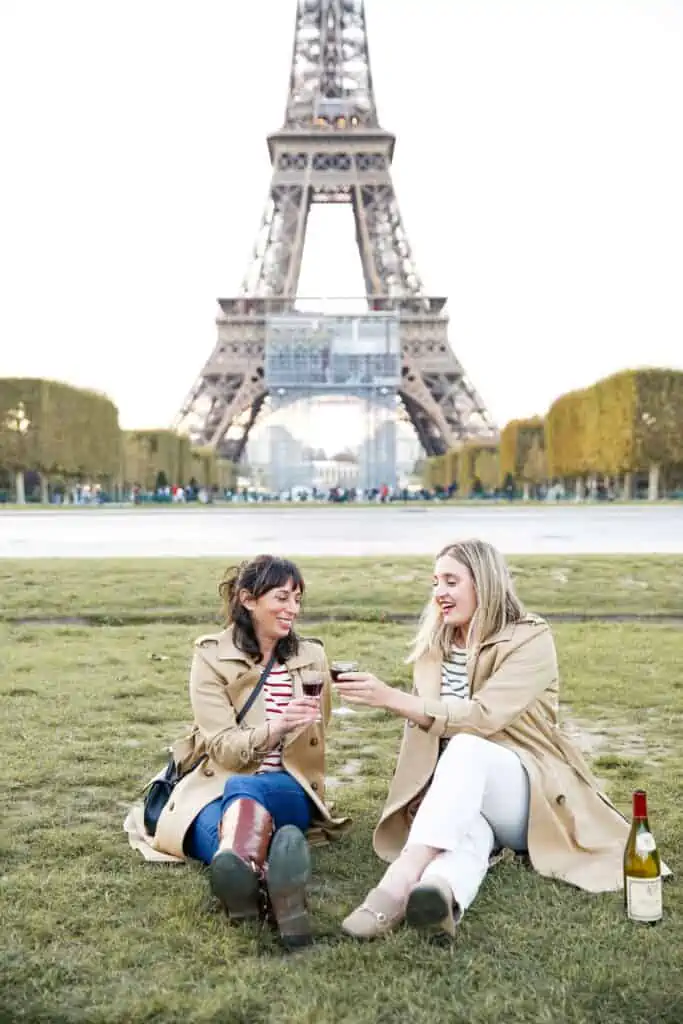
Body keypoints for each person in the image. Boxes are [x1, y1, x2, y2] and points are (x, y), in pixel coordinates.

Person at [335, 539, 666, 941]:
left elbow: (482, 718)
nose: (439, 592)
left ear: (485, 583)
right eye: (435, 581)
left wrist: (392, 699)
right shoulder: (434, 645)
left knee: (468, 747)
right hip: (463, 792)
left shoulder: (530, 637)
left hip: (530, 794)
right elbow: (429, 734)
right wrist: (429, 787)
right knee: (468, 836)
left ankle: (398, 880)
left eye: (451, 581)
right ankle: (439, 896)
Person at [124, 554, 349, 949]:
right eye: (281, 598)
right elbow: (224, 749)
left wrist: (287, 731)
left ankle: (248, 886)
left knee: (248, 794)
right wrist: (276, 726)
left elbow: (318, 733)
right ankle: (273, 889)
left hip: (288, 786)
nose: (292, 609)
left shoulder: (311, 655)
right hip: (218, 782)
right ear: (248, 599)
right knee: (209, 830)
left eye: (297, 598)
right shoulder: (211, 656)